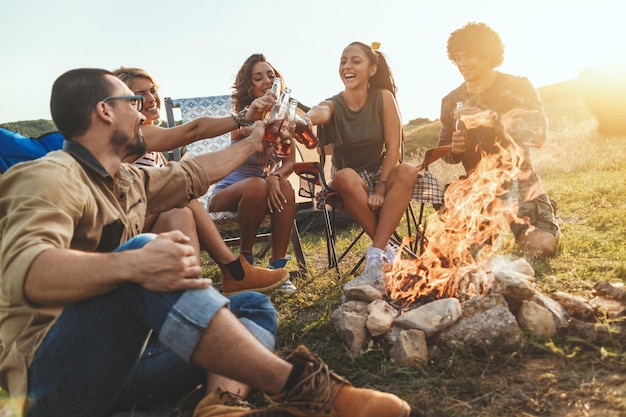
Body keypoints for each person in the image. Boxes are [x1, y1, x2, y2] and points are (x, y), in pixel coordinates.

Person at [0, 68, 411, 417]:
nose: (142, 111)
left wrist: (252, 141)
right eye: (131, 101)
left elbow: (193, 175)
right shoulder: (48, 176)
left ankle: (222, 404)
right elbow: (28, 271)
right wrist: (131, 266)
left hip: (120, 367)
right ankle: (307, 389)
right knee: (141, 253)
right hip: (49, 385)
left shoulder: (125, 180)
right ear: (104, 111)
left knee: (251, 305)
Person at [112, 66, 289, 297]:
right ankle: (234, 270)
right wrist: (242, 118)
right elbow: (195, 131)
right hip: (124, 228)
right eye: (139, 95)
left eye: (152, 90)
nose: (150, 98)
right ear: (122, 103)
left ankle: (195, 293)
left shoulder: (150, 143)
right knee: (180, 192)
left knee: (180, 211)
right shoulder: (134, 136)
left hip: (147, 221)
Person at [437, 22, 560, 257]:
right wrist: (455, 148)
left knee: (541, 247)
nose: (462, 63)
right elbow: (446, 152)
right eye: (458, 57)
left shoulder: (517, 86)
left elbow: (538, 134)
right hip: (476, 187)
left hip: (519, 183)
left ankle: (542, 210)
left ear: (487, 54)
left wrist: (493, 119)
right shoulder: (451, 100)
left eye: (469, 56)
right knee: (468, 254)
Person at [303, 42, 420, 278]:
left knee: (407, 170)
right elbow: (320, 110)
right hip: (348, 185)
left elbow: (394, 148)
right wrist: (307, 118)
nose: (347, 66)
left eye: (356, 61)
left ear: (372, 69)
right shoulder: (334, 103)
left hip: (380, 175)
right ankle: (386, 250)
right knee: (345, 174)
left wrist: (381, 186)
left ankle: (378, 252)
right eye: (343, 61)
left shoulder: (383, 97)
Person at [209, 54, 298, 294]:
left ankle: (277, 267)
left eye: (271, 75)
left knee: (285, 187)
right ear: (250, 87)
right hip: (227, 193)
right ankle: (244, 267)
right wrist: (267, 119)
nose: (267, 80)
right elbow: (246, 133)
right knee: (257, 185)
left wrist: (274, 177)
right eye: (259, 78)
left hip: (259, 192)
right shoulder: (244, 116)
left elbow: (289, 163)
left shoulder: (285, 118)